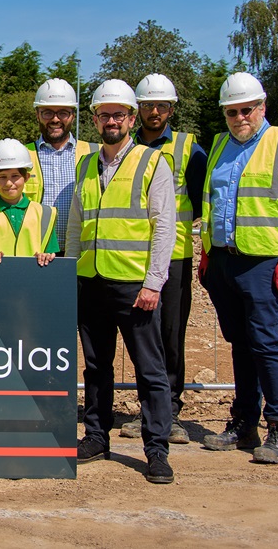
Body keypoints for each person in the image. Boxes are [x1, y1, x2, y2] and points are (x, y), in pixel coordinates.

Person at [199, 72, 278, 464]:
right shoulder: (218, 146)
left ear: (261, 107)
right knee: (239, 344)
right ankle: (244, 422)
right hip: (224, 260)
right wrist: (206, 253)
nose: (239, 118)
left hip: (264, 262)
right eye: (231, 111)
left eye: (245, 109)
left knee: (265, 343)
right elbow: (211, 202)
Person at [66, 79, 176, 484]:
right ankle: (97, 435)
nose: (111, 121)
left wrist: (153, 283)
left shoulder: (151, 163)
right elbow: (77, 225)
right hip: (92, 281)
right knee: (96, 367)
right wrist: (72, 271)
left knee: (150, 370)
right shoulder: (85, 165)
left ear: (131, 118)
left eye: (119, 114)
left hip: (134, 286)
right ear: (95, 119)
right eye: (104, 114)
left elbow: (164, 226)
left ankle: (156, 448)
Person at [119, 74, 208, 444]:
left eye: (162, 106)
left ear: (172, 109)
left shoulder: (189, 148)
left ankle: (169, 410)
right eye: (148, 106)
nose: (154, 112)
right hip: (133, 255)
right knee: (144, 336)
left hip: (174, 255)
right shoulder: (124, 144)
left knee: (171, 334)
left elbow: (202, 199)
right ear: (137, 110)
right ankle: (147, 407)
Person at [24, 78, 100, 251]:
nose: (55, 119)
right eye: (48, 112)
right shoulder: (21, 156)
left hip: (82, 253)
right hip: (35, 253)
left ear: (73, 115)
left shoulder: (95, 153)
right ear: (37, 114)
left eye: (63, 113)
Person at [0, 138, 58, 265]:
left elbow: (51, 255)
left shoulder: (45, 213)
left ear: (26, 177)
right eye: (2, 177)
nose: (9, 183)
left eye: (15, 176)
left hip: (33, 281)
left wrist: (45, 257)